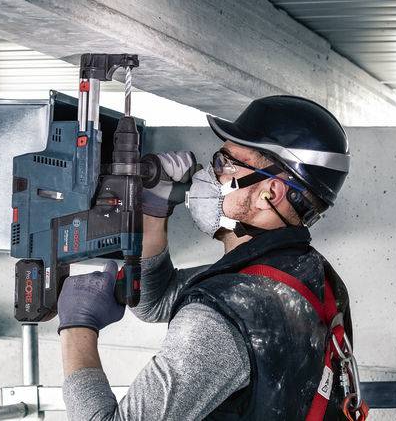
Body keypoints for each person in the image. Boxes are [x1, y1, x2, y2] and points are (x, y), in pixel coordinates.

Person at [57, 95, 365, 420]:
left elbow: (209, 318)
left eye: (225, 163)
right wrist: (154, 210)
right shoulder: (308, 277)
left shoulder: (223, 315)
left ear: (269, 193)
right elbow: (155, 302)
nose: (209, 172)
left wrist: (77, 326)